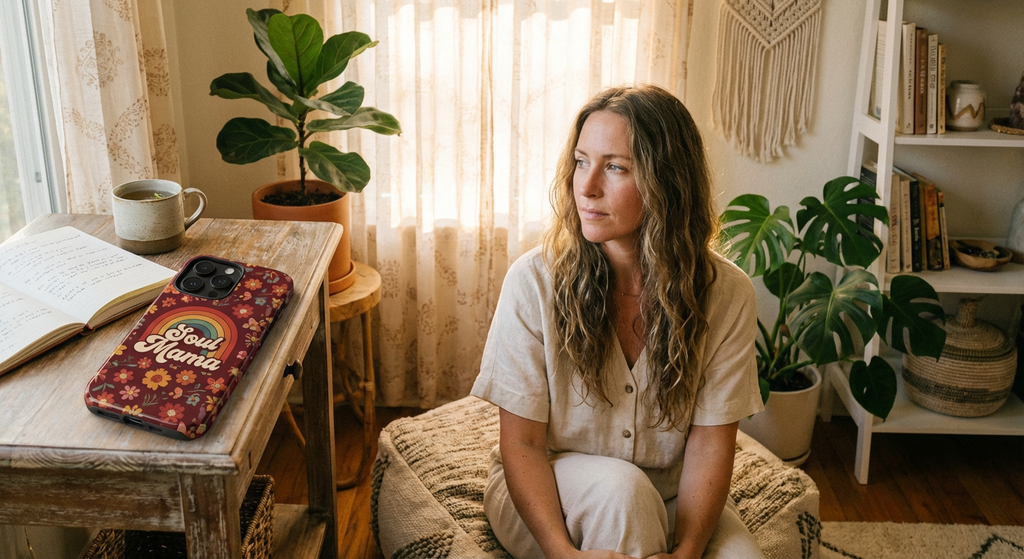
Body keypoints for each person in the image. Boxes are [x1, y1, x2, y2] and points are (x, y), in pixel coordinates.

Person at [470, 84, 765, 559]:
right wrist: (561, 553)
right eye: (581, 162)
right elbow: (522, 445)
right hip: (547, 496)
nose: (586, 187)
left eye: (615, 167)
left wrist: (688, 550)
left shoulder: (726, 294)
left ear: (667, 182)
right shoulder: (533, 282)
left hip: (668, 496)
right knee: (622, 494)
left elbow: (711, 443)